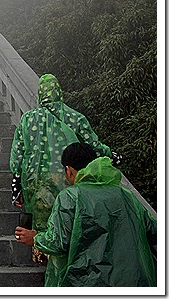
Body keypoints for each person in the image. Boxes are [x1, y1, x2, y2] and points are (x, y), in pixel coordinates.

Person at [15, 142, 156, 287]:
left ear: (68, 170)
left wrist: (35, 238)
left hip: (86, 282)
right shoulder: (126, 195)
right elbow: (154, 232)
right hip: (133, 281)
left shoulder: (70, 197)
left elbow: (59, 242)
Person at [9, 73, 112, 263]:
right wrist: (112, 156)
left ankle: (44, 259)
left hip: (35, 182)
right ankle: (66, 260)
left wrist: (16, 183)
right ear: (59, 93)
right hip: (69, 179)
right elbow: (93, 146)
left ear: (40, 94)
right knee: (66, 221)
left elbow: (17, 154)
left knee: (41, 224)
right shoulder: (75, 117)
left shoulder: (28, 119)